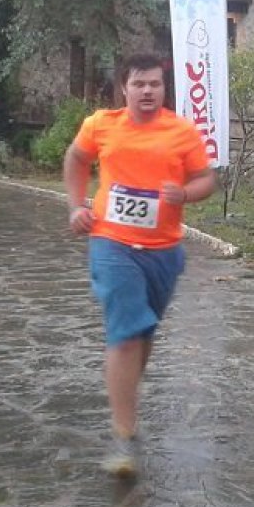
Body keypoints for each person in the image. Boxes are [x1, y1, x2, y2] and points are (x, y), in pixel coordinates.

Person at [63, 52, 215, 477]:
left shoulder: (181, 131)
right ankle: (124, 436)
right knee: (127, 334)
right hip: (112, 243)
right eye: (139, 84)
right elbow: (76, 159)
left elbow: (206, 179)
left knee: (143, 332)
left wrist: (185, 194)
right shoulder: (101, 124)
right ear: (123, 89)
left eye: (155, 84)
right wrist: (76, 206)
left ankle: (125, 394)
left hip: (164, 250)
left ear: (164, 89)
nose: (147, 91)